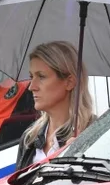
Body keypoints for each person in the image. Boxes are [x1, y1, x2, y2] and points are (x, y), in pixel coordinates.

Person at [15, 41, 95, 169]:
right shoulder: (30, 137)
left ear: (69, 82)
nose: (31, 86)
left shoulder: (93, 132)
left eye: (41, 76)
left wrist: (82, 159)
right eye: (31, 76)